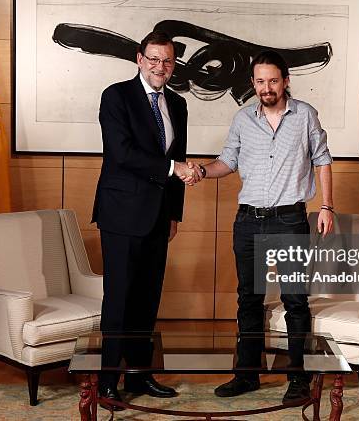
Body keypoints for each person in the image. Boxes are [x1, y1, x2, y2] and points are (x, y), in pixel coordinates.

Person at [187, 50, 334, 404]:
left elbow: (323, 160)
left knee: (295, 300)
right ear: (252, 83)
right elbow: (228, 162)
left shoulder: (305, 116)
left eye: (272, 80)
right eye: (260, 81)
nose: (266, 87)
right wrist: (203, 171)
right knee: (248, 300)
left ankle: (297, 380)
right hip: (249, 221)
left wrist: (327, 206)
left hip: (290, 220)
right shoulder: (242, 119)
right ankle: (247, 375)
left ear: (285, 81)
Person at [92, 31, 199, 409]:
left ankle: (139, 375)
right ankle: (107, 382)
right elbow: (122, 153)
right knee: (119, 299)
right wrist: (175, 168)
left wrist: (174, 214)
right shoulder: (116, 96)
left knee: (147, 299)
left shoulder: (179, 104)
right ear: (140, 59)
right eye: (153, 59)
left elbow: (179, 157)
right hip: (121, 215)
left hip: (158, 217)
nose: (160, 67)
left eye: (167, 61)